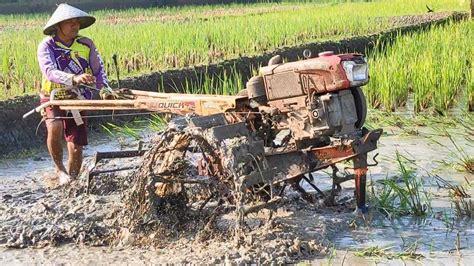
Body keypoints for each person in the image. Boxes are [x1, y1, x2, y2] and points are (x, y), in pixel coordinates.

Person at [38, 4, 109, 185]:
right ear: (58, 26)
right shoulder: (47, 46)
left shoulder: (86, 44)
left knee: (76, 143)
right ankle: (60, 170)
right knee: (55, 127)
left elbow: (98, 69)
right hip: (53, 95)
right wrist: (74, 78)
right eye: (70, 22)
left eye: (76, 22)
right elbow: (49, 71)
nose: (75, 25)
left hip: (79, 96)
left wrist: (104, 89)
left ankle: (73, 179)